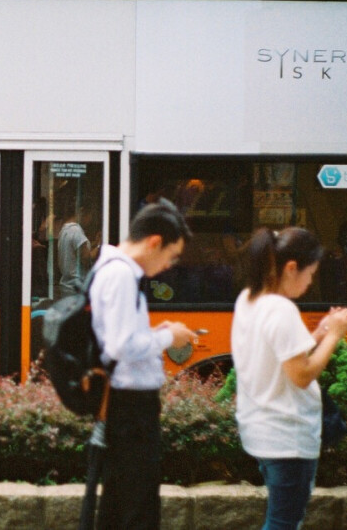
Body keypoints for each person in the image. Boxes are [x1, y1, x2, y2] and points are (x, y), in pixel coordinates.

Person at [232, 227, 347, 530]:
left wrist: (318, 334)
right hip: (287, 438)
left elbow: (280, 356)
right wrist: (336, 336)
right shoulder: (281, 310)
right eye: (310, 273)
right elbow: (301, 375)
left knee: (281, 519)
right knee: (284, 523)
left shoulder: (248, 299)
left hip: (261, 431)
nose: (311, 281)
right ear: (291, 268)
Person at [90, 202, 196, 529]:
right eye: (170, 255)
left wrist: (155, 333)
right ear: (153, 242)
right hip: (131, 408)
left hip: (125, 406)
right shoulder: (121, 274)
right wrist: (168, 338)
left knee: (119, 505)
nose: (168, 265)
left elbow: (117, 338)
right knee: (138, 509)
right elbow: (121, 346)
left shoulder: (112, 270)